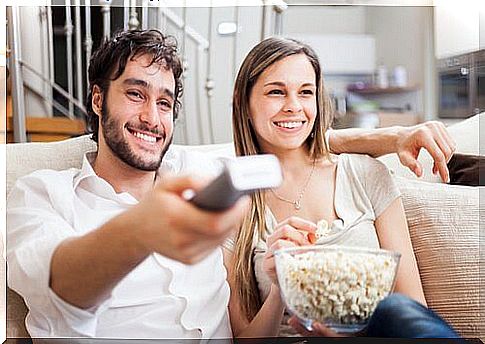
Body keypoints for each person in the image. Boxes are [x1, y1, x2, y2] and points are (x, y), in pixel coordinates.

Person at [7, 30, 455, 339]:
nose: (151, 117)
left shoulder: (197, 170)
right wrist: (142, 227)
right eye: (136, 94)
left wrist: (394, 137)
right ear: (98, 98)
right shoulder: (42, 193)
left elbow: (288, 141)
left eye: (164, 102)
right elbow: (60, 282)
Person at [225, 37, 459, 338]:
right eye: (276, 92)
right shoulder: (232, 203)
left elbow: (412, 309)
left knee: (393, 310)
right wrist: (280, 290)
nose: (294, 106)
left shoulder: (365, 174)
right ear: (243, 102)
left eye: (305, 92)